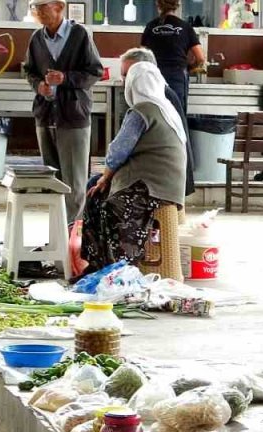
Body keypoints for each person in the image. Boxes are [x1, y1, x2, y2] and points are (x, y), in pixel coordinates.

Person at [82, 62, 188, 280]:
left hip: (150, 186)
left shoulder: (142, 111)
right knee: (95, 188)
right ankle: (101, 267)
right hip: (167, 185)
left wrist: (105, 178)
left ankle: (116, 268)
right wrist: (103, 178)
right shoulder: (166, 108)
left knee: (106, 202)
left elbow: (117, 151)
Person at [22, 0, 103, 224]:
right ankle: (55, 232)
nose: (37, 11)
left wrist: (66, 78)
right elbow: (28, 70)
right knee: (52, 179)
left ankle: (72, 236)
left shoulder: (79, 35)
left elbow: (95, 71)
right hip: (45, 115)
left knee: (74, 182)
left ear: (59, 6)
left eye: (42, 6)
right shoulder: (37, 39)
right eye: (34, 7)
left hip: (73, 116)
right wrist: (38, 84)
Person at [120, 47, 194, 198]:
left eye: (129, 75)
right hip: (167, 180)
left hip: (157, 184)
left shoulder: (151, 102)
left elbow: (120, 150)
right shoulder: (162, 95)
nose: (125, 81)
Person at [140, 0, 204, 110]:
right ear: (177, 6)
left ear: (158, 5)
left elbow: (142, 56)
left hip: (154, 77)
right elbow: (200, 58)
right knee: (176, 116)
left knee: (156, 113)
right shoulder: (185, 27)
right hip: (177, 76)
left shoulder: (150, 26)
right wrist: (189, 67)